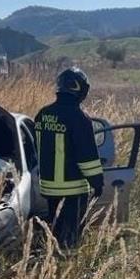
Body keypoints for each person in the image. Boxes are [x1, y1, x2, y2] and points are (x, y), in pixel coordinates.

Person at [35, 67, 104, 249]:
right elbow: (87, 157)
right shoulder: (79, 117)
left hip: (49, 188)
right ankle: (67, 262)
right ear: (81, 89)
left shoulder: (43, 114)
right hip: (73, 188)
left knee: (55, 229)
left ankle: (53, 259)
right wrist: (97, 183)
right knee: (71, 234)